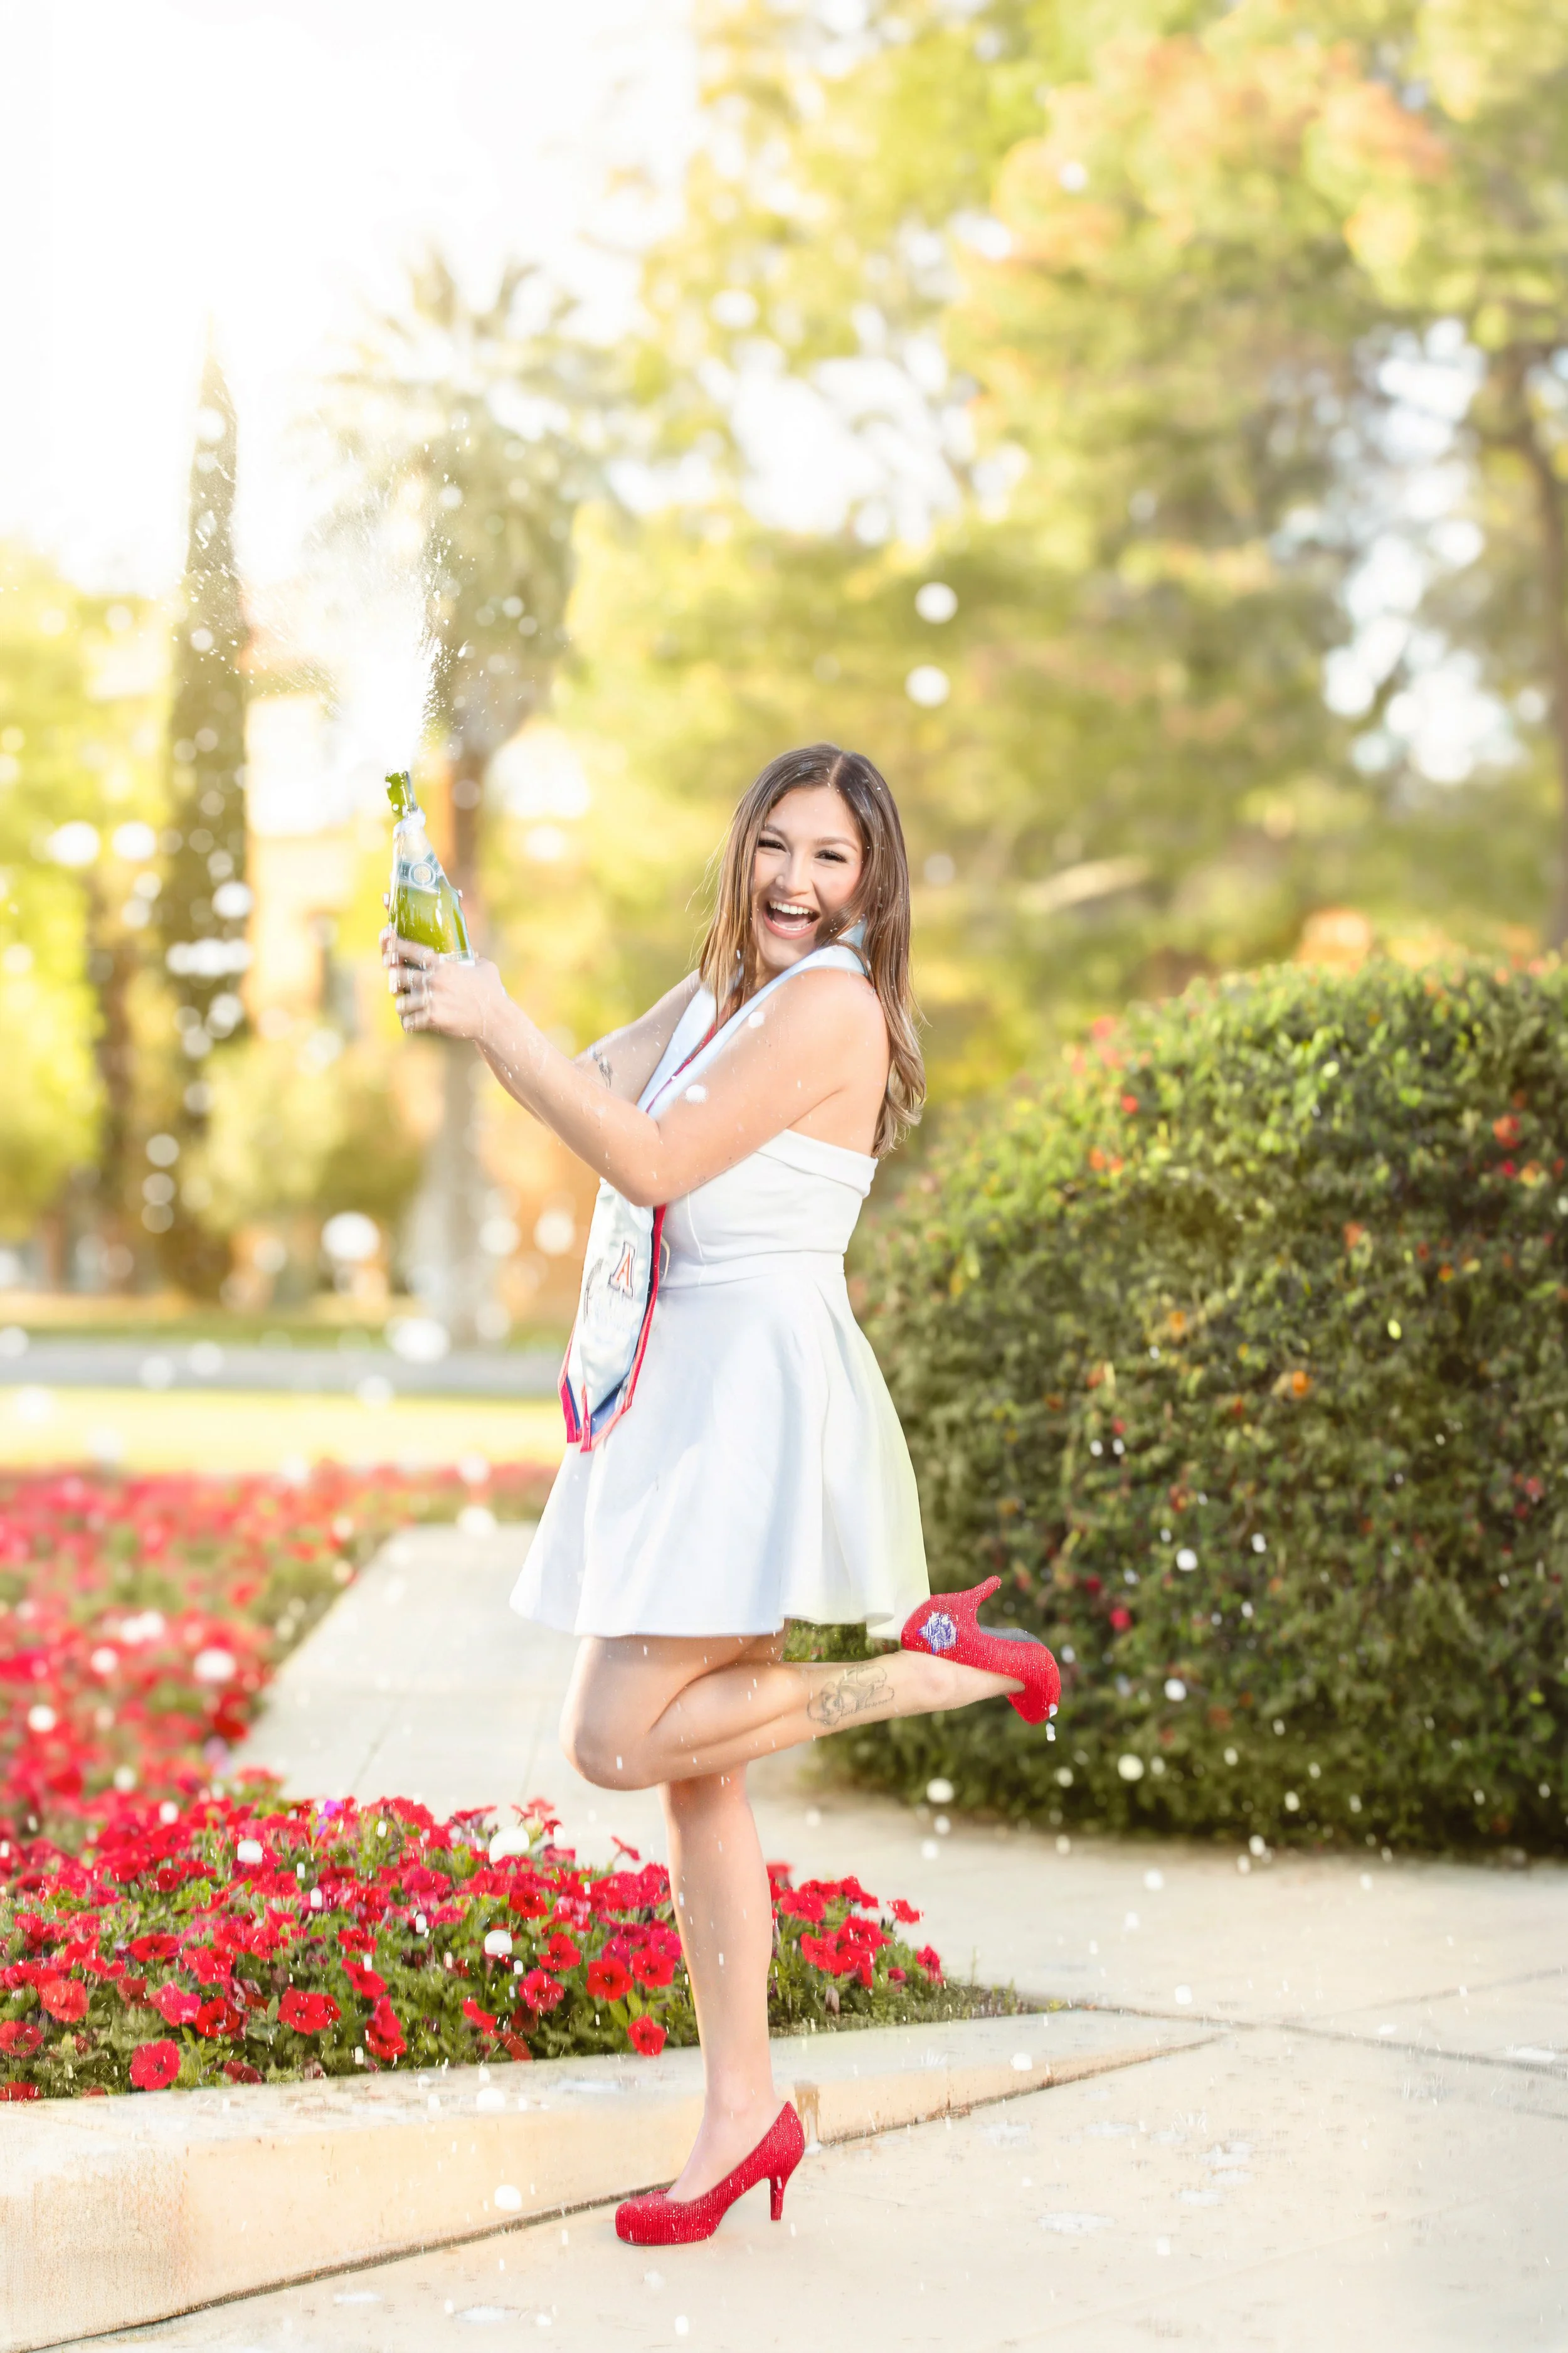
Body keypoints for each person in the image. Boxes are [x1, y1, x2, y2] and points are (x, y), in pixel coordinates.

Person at [383, 741, 1058, 2245]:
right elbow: (590, 1087)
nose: (795, 881)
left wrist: (495, 1017)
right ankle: (742, 2111)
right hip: (689, 1391)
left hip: (748, 1398)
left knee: (615, 1740)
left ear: (871, 886)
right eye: (776, 845)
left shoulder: (828, 1005)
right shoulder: (724, 993)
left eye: (831, 858)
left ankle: (909, 1671)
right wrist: (467, 985)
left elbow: (648, 1158)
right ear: (742, 848)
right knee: (701, 1780)